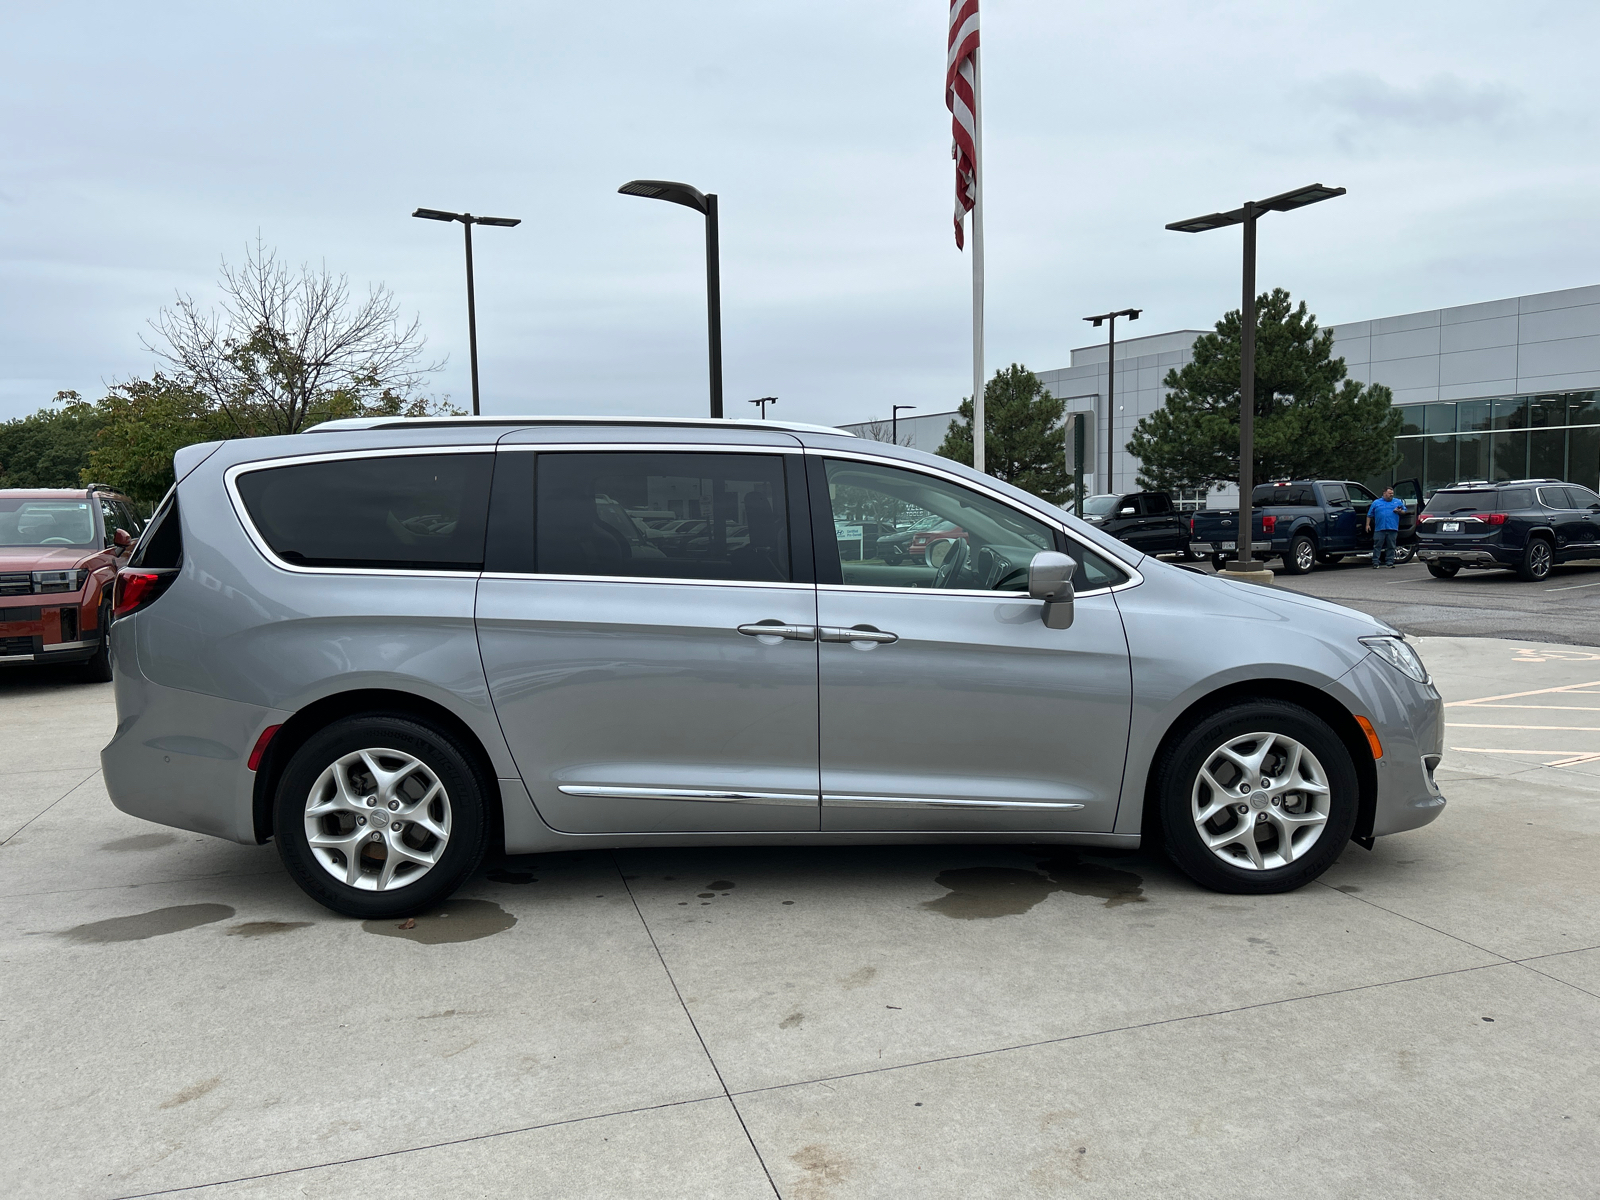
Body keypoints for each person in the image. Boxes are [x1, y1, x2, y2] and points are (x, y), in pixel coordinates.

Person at [1366, 485, 1408, 568]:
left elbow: (1405, 511)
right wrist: (1367, 525)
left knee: (1391, 546)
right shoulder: (1376, 503)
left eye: (1392, 493)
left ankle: (1390, 562)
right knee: (1377, 546)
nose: (1391, 495)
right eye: (1389, 493)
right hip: (1380, 528)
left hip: (1392, 527)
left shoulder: (1397, 502)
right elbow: (1369, 515)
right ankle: (1375, 562)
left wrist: (1400, 511)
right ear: (1384, 493)